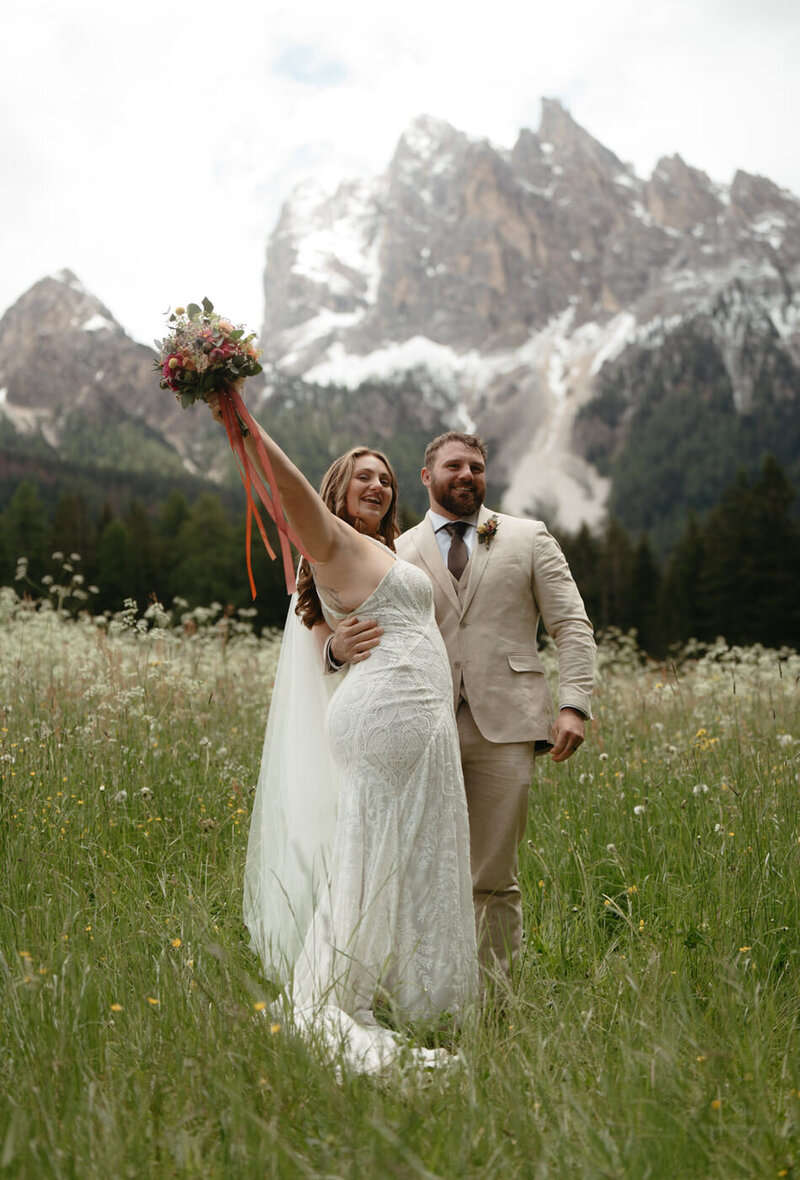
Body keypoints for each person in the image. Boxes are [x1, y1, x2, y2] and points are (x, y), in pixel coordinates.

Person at [206, 393, 478, 1074]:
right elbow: (288, 489)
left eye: (386, 478)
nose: (379, 485)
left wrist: (335, 648)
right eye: (364, 474)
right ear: (336, 488)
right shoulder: (328, 538)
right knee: (374, 852)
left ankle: (401, 989)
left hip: (413, 718)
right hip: (385, 717)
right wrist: (241, 421)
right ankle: (340, 991)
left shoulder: (380, 553)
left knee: (410, 851)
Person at [328, 431, 596, 977]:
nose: (466, 475)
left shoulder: (529, 537)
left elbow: (571, 625)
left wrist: (575, 704)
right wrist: (334, 652)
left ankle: (494, 1012)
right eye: (453, 466)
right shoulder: (391, 553)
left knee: (492, 878)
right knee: (409, 867)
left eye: (475, 466)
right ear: (427, 478)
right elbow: (336, 625)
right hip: (416, 727)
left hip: (507, 728)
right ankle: (420, 997)